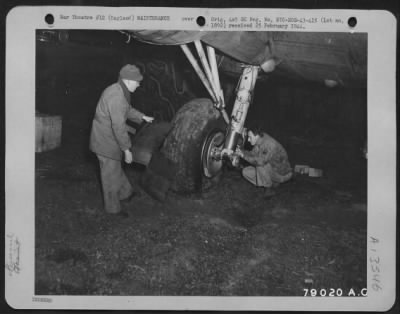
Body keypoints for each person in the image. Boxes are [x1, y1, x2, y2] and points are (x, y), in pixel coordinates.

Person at [90, 64, 154, 216]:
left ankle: (126, 193)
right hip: (105, 141)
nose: (139, 85)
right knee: (110, 174)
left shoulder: (120, 89)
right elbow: (118, 127)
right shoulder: (116, 97)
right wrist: (127, 151)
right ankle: (113, 209)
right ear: (128, 80)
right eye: (137, 82)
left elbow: (127, 109)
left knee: (114, 168)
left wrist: (142, 116)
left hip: (108, 136)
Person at [236, 129, 292, 198]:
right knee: (245, 172)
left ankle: (269, 189)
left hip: (281, 174)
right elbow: (252, 154)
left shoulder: (269, 144)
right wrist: (241, 151)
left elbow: (260, 162)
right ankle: (271, 182)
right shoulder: (260, 141)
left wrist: (243, 156)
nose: (248, 140)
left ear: (257, 136)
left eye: (250, 137)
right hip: (271, 169)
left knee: (260, 165)